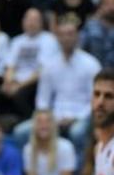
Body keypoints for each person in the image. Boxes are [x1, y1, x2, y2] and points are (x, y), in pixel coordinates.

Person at [14, 21, 101, 153]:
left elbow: (95, 99)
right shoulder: (49, 65)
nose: (66, 38)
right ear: (57, 38)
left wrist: (76, 117)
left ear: (77, 37)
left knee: (77, 132)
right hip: (54, 116)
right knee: (20, 132)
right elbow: (42, 100)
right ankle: (35, 165)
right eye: (62, 34)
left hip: (82, 116)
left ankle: (78, 167)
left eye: (70, 34)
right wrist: (47, 118)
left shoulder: (91, 64)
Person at [0, 7, 59, 120]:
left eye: (35, 20)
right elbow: (10, 66)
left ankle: (28, 122)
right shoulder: (17, 41)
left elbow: (42, 70)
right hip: (16, 81)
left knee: (21, 96)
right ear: (23, 21)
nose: (31, 23)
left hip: (34, 82)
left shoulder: (49, 40)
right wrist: (8, 83)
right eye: (28, 19)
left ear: (41, 23)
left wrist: (19, 86)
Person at [81, 0, 114, 68]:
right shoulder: (90, 27)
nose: (111, 7)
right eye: (107, 3)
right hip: (94, 72)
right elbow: (81, 52)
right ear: (100, 6)